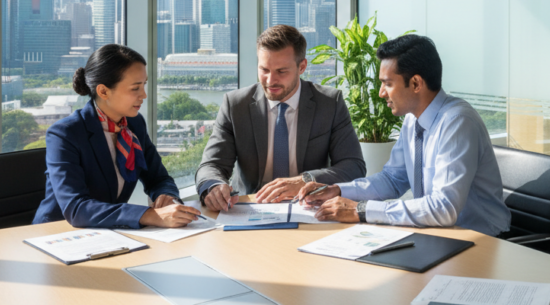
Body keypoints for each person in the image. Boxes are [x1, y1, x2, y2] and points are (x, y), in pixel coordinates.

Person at [297, 34, 511, 237]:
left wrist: (361, 210)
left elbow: (444, 208)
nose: (381, 93)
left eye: (388, 84)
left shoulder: (457, 123)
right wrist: (337, 190)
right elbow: (392, 180)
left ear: (416, 83)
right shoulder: (413, 120)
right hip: (438, 234)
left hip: (483, 239)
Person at [196, 24, 365, 211]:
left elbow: (353, 166)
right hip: (249, 208)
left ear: (302, 67)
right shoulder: (236, 105)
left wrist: (305, 180)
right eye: (264, 70)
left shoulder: (329, 103)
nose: (270, 81)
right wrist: (213, 186)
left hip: (309, 208)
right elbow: (211, 164)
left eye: (281, 71)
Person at [33, 44, 199, 228]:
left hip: (110, 232)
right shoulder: (65, 133)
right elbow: (77, 208)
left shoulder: (134, 124)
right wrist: (150, 215)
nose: (143, 95)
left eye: (144, 85)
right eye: (135, 88)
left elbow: (158, 178)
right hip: (58, 233)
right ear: (103, 91)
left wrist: (166, 197)